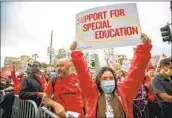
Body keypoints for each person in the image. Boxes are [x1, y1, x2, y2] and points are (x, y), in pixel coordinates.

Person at [70, 33, 152, 117]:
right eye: (104, 78)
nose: (108, 81)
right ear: (99, 81)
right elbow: (83, 75)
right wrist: (76, 54)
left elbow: (136, 72)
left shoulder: (124, 92)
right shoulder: (93, 94)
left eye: (111, 78)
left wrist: (144, 48)